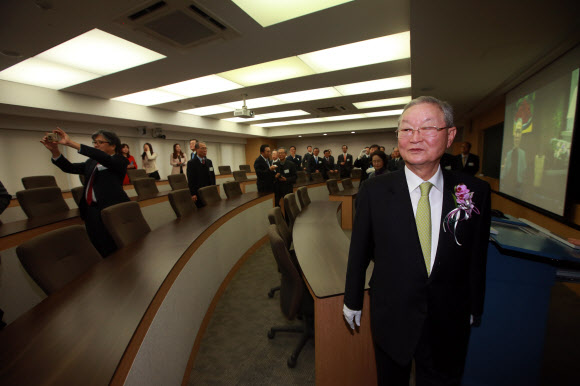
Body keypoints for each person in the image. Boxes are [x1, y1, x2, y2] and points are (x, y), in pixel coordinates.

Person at [343, 96, 491, 385]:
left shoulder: (472, 191)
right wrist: (352, 300)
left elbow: (477, 256)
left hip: (449, 315)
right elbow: (359, 250)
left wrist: (476, 305)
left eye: (427, 128)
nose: (415, 138)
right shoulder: (374, 191)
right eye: (407, 129)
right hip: (392, 313)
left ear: (449, 136)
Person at [41, 127, 130, 257]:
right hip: (91, 209)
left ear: (113, 145)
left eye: (100, 142)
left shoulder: (120, 160)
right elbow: (69, 168)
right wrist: (55, 151)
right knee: (97, 243)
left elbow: (104, 158)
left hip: (112, 207)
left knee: (115, 243)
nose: (96, 145)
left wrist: (71, 143)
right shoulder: (91, 162)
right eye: (94, 142)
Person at [186, 142, 216, 208]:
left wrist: (214, 188)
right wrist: (193, 193)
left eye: (206, 148)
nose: (205, 150)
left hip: (209, 190)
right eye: (202, 148)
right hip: (198, 192)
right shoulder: (191, 163)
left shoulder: (209, 162)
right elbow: (191, 179)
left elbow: (212, 176)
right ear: (196, 149)